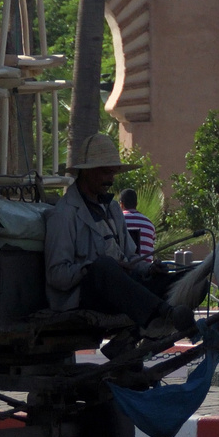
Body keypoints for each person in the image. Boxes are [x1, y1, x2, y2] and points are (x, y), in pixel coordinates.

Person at [44, 134, 194, 336]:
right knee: (103, 265)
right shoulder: (64, 214)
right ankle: (163, 314)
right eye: (106, 172)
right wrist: (91, 268)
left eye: (113, 173)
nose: (111, 179)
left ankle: (141, 331)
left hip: (124, 289)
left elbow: (132, 258)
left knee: (190, 277)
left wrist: (149, 268)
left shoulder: (113, 209)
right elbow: (57, 275)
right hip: (86, 297)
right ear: (87, 172)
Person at [118, 187, 157, 266]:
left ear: (121, 204)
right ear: (136, 204)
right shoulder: (149, 223)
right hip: (146, 271)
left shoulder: (117, 221)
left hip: (123, 271)